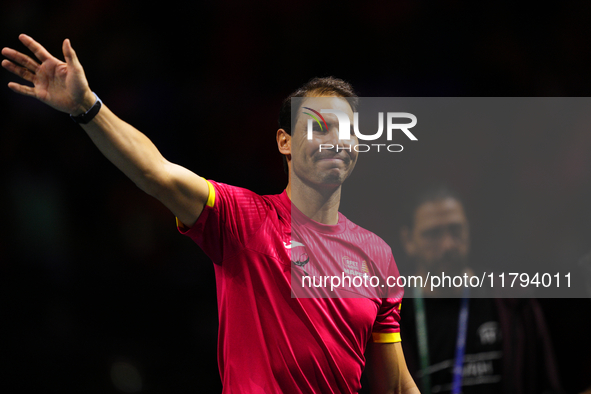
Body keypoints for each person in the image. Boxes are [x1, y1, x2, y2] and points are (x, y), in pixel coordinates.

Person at [2, 34, 420, 394]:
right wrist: (87, 107)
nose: (335, 140)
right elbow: (156, 172)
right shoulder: (245, 218)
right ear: (284, 142)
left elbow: (396, 385)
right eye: (318, 127)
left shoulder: (376, 255)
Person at [398, 184, 564, 394]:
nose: (448, 244)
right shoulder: (393, 315)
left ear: (469, 230)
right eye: (433, 234)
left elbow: (546, 385)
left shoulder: (512, 299)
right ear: (408, 240)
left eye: (456, 230)